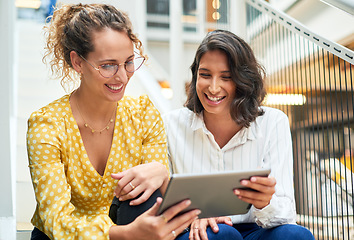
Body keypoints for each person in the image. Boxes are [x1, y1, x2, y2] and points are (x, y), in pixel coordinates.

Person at [26, 3, 200, 239]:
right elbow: (55, 218)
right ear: (77, 62)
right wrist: (122, 234)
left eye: (128, 62)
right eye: (108, 65)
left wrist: (161, 172)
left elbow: (153, 201)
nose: (121, 76)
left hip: (131, 224)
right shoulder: (47, 125)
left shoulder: (143, 114)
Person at [163, 30, 315, 240]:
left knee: (295, 235)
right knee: (222, 234)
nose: (214, 87)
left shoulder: (272, 122)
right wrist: (190, 218)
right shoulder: (171, 125)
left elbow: (286, 214)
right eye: (205, 75)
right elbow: (161, 203)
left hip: (256, 228)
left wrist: (265, 202)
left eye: (226, 77)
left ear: (243, 80)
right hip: (197, 231)